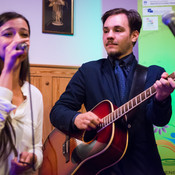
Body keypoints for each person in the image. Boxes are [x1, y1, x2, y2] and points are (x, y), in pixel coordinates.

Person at [50, 8, 175, 175]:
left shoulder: (153, 73)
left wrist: (161, 99)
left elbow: (159, 120)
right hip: (98, 168)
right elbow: (58, 111)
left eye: (118, 30)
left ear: (134, 36)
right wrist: (76, 118)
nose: (109, 35)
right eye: (105, 30)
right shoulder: (89, 71)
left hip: (143, 166)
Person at [0, 12, 43, 174]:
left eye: (24, 34)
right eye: (8, 34)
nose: (18, 40)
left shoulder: (35, 95)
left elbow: (37, 146)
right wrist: (8, 70)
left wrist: (34, 158)